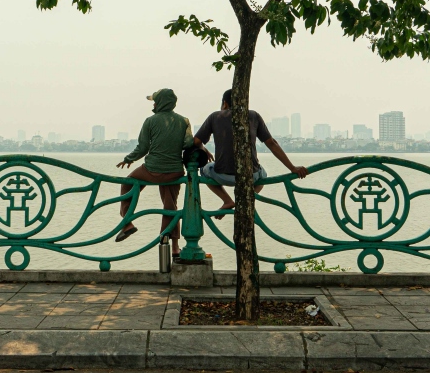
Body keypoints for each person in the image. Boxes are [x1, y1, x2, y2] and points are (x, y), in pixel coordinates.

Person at [193, 89, 308, 214]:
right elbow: (271, 143)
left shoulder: (215, 116)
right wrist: (292, 168)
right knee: (263, 174)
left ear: (225, 103)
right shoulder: (253, 116)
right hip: (250, 177)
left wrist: (204, 149)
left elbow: (195, 142)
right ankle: (247, 199)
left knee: (204, 170)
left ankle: (227, 200)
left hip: (222, 176)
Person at [115, 89, 194, 256]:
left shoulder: (150, 121)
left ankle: (127, 223)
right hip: (174, 172)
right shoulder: (184, 121)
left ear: (160, 103)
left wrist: (129, 159)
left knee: (127, 184)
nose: (153, 104)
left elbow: (143, 148)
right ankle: (173, 247)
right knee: (170, 205)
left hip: (151, 170)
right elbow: (188, 144)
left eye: (155, 101)